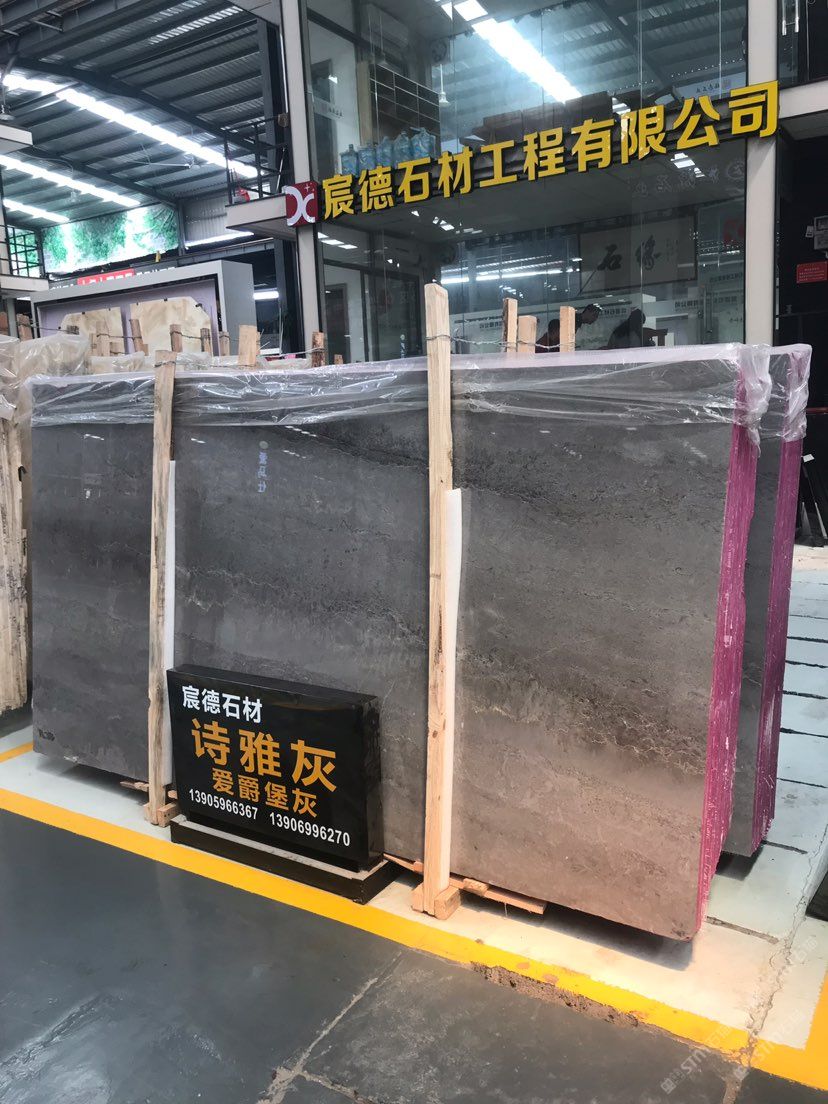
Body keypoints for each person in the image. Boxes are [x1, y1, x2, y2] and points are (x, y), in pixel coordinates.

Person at [536, 303, 601, 352]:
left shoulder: (576, 321)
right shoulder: (573, 320)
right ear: (587, 311)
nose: (595, 319)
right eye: (594, 315)